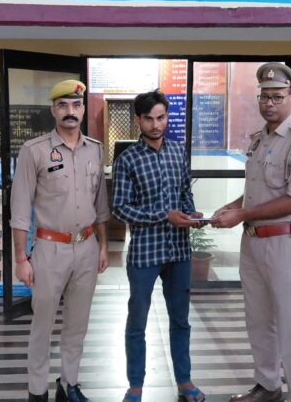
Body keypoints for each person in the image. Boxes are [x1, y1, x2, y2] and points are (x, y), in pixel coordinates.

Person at [210, 63, 291, 402]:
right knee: (258, 321)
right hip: (253, 243)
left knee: (290, 325)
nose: (269, 103)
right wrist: (233, 207)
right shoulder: (259, 140)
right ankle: (268, 386)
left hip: (283, 243)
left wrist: (242, 214)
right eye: (264, 96)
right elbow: (257, 192)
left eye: (277, 96)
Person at [10, 80, 109, 402]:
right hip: (49, 250)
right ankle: (37, 391)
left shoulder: (95, 149)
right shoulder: (34, 151)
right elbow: (19, 209)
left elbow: (100, 205)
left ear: (83, 109)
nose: (70, 111)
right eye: (63, 105)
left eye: (76, 105)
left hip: (87, 247)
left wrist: (103, 247)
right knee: (43, 324)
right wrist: (20, 259)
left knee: (78, 323)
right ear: (53, 110)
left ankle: (69, 384)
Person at [112, 89, 207, 402]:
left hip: (178, 251)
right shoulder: (127, 160)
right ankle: (135, 387)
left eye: (161, 117)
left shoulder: (178, 152)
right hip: (144, 253)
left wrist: (191, 214)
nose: (156, 125)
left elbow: (184, 193)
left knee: (180, 320)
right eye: (149, 119)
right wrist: (163, 216)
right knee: (137, 321)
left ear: (167, 117)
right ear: (138, 120)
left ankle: (185, 382)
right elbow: (120, 209)